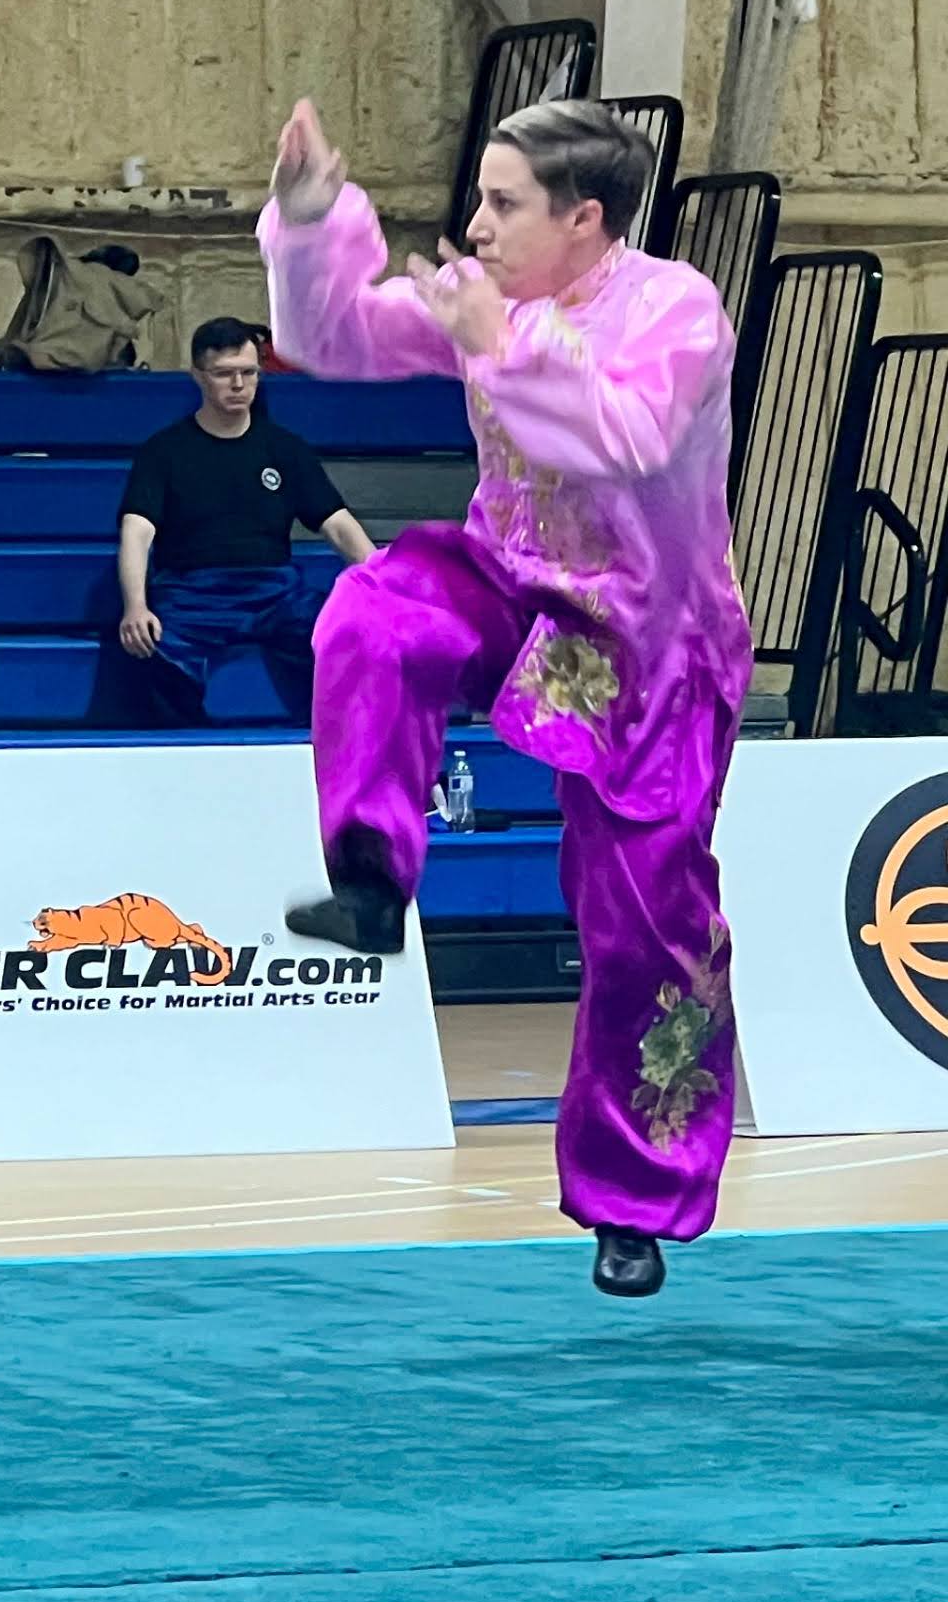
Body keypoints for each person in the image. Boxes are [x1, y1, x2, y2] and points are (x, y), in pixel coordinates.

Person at [259, 98, 754, 1299]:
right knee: (375, 610)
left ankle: (632, 1201)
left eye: (501, 203)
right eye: (477, 199)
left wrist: (503, 342)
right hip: (511, 582)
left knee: (645, 925)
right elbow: (337, 335)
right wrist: (311, 220)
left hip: (649, 644)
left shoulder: (676, 309)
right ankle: (370, 878)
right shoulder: (493, 296)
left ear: (583, 218)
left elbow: (627, 438)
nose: (474, 226)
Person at [90, 315, 375, 728]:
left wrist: (383, 585)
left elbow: (338, 525)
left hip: (275, 592)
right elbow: (137, 532)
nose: (239, 385)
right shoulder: (163, 451)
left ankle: (345, 746)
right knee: (155, 649)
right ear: (198, 376)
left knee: (346, 632)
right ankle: (186, 753)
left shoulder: (285, 448)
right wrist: (136, 605)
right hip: (192, 593)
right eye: (224, 374)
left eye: (249, 372)